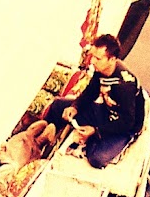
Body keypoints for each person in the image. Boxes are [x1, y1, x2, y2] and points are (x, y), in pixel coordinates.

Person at [41, 34, 144, 170]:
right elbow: (91, 91)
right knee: (57, 105)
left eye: (98, 58)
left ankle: (96, 140)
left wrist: (96, 131)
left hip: (122, 125)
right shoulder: (101, 69)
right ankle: (45, 136)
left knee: (96, 158)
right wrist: (75, 107)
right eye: (93, 56)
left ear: (112, 59)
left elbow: (128, 122)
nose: (93, 61)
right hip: (105, 111)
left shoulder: (125, 86)